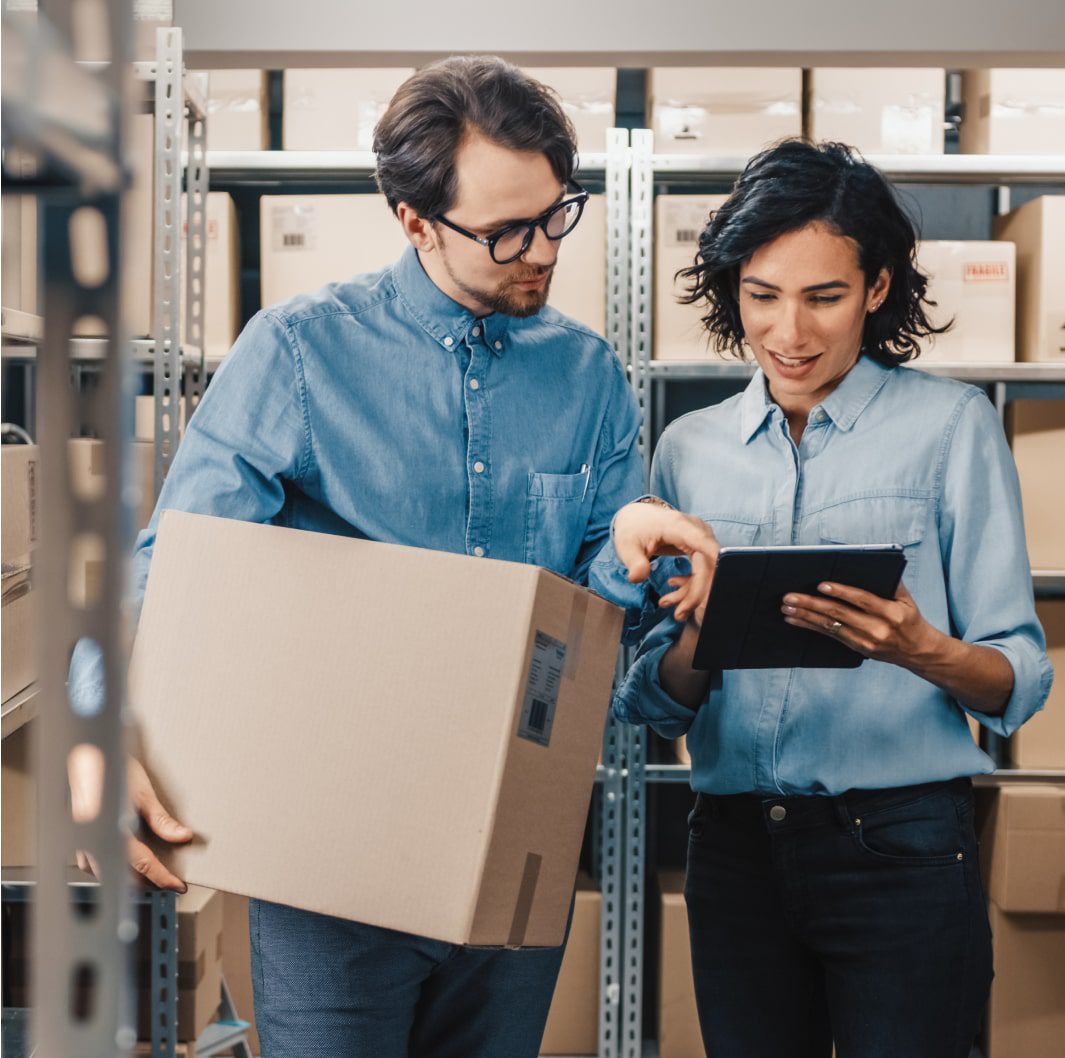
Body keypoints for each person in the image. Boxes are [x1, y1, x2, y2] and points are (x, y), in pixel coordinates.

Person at [68, 56, 662, 1058]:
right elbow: (171, 565)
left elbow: (603, 601)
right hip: (333, 864)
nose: (541, 252)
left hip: (518, 848)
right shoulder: (299, 354)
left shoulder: (590, 376)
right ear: (413, 218)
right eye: (504, 231)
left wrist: (637, 552)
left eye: (556, 214)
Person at [592, 139, 1054, 1058]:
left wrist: (919, 647)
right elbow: (646, 698)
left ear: (876, 289)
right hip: (733, 850)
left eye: (823, 297)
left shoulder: (950, 427)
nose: (787, 333)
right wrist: (694, 637)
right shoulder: (687, 448)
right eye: (760, 296)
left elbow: (1021, 678)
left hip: (901, 846)